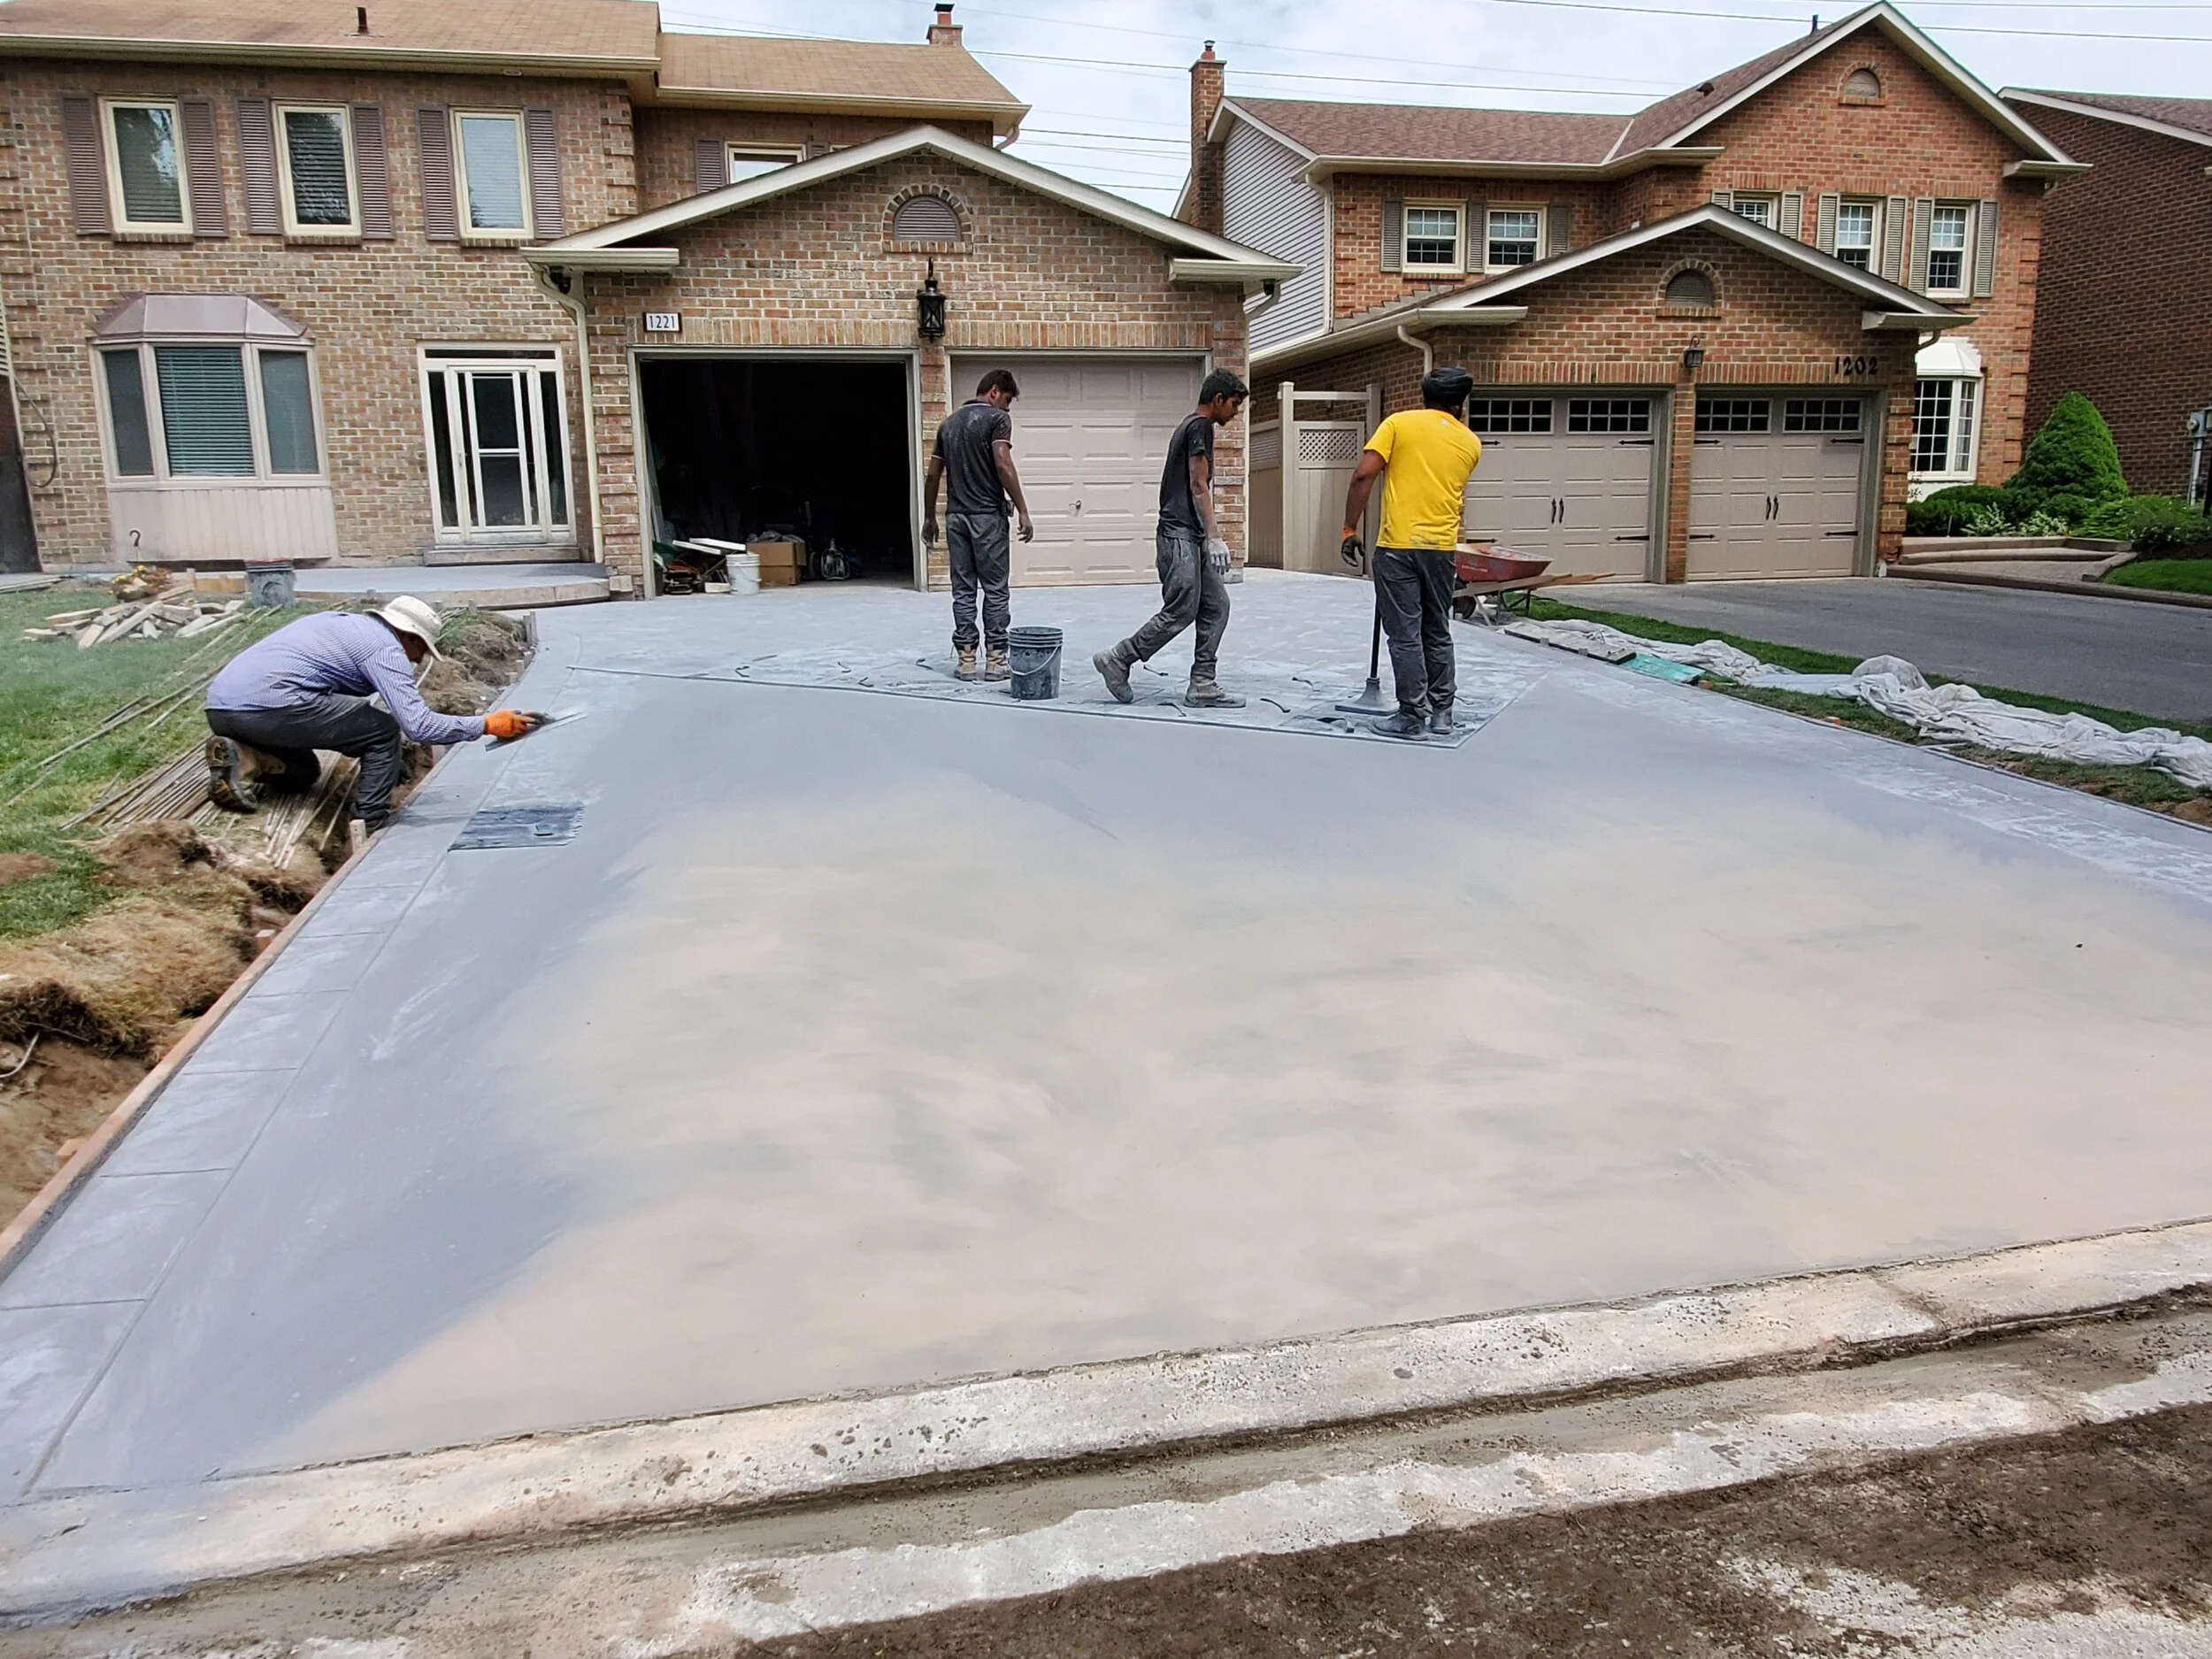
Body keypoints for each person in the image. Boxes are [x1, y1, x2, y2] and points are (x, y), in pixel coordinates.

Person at [203, 596, 538, 837]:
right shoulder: (386, 648)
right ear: (408, 635)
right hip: (273, 707)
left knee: (304, 773)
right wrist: (486, 724)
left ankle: (244, 758)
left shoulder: (340, 623)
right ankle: (370, 819)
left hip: (222, 711)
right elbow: (418, 726)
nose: (419, 660)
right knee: (381, 731)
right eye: (421, 649)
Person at [1093, 369, 1250, 709]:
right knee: (1182, 609)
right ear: (1218, 399)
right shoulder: (1199, 426)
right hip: (1180, 535)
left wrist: (1205, 536)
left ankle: (1203, 684)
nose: (1236, 412)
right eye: (1234, 404)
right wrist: (1215, 537)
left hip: (1190, 535)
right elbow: (1198, 484)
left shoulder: (1191, 426)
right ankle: (1119, 658)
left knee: (1216, 606)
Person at [1339, 367, 1483, 739]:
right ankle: (1442, 713)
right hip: (1441, 550)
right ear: (1460, 404)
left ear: (1424, 396)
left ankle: (1411, 716)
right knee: (1437, 630)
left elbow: (1363, 476)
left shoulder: (1398, 425)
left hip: (1398, 546)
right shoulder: (1471, 443)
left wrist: (1350, 528)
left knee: (1405, 634)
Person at [922, 368, 1034, 681]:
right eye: (1007, 400)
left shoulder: (948, 424)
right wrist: (1023, 509)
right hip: (987, 519)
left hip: (956, 518)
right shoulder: (996, 419)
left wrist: (929, 517)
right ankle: (996, 661)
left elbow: (933, 475)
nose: (1007, 409)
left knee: (963, 590)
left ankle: (966, 660)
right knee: (995, 590)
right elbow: (1003, 464)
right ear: (995, 391)